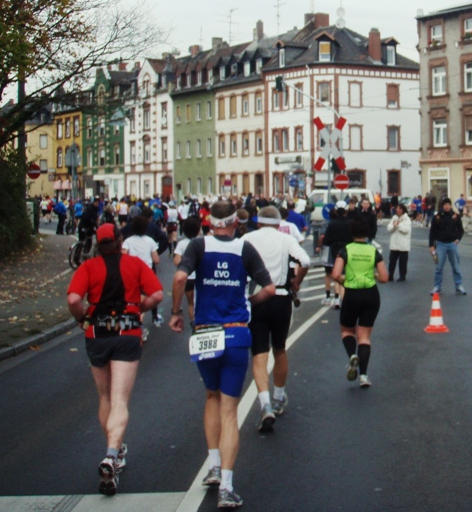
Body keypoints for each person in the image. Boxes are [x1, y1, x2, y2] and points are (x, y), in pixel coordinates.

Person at [169, 201, 275, 509]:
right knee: (231, 410)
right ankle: (227, 486)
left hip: (205, 333)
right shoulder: (244, 248)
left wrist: (176, 312)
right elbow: (268, 289)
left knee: (211, 397)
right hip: (236, 330)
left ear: (210, 222)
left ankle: (213, 466)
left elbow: (179, 278)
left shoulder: (198, 246)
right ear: (234, 222)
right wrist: (248, 302)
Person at [66, 223, 163, 497]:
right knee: (121, 399)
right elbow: (157, 294)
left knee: (105, 397)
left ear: (98, 245)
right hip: (127, 332)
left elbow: (74, 298)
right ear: (120, 241)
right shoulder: (133, 264)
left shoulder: (88, 268)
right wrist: (138, 308)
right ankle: (112, 455)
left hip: (96, 333)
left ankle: (116, 449)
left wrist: (81, 317)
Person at [242, 206, 310, 431]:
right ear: (279, 223)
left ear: (258, 222)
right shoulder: (285, 239)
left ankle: (265, 404)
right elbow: (306, 261)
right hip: (281, 297)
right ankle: (279, 396)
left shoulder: (247, 238)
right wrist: (297, 281)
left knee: (259, 354)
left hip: (257, 297)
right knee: (279, 348)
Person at [331, 217, 388, 388]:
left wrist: (344, 282)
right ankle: (363, 375)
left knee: (347, 330)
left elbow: (335, 275)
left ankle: (351, 356)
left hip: (352, 294)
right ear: (367, 233)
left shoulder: (345, 250)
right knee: (364, 336)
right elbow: (384, 278)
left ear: (352, 232)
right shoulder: (373, 251)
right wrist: (374, 276)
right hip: (371, 295)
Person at [122, 215, 161, 329]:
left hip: (130, 274)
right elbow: (156, 260)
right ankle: (139, 325)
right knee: (142, 301)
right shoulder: (150, 241)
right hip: (145, 275)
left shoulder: (127, 241)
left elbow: (122, 256)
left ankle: (134, 323)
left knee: (131, 300)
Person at [316, 201, 352, 308]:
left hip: (335, 251)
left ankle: (337, 298)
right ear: (346, 211)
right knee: (346, 274)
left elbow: (326, 241)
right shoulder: (351, 223)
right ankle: (345, 299)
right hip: (348, 250)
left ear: (336, 211)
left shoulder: (332, 224)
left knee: (337, 274)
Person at [429, 197, 466, 296]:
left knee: (456, 266)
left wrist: (457, 239)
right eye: (445, 205)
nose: (447, 207)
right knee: (439, 267)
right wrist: (431, 245)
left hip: (452, 245)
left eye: (448, 205)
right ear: (443, 206)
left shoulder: (455, 216)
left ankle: (459, 286)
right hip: (440, 244)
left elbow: (461, 230)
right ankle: (437, 287)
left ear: (450, 206)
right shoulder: (437, 217)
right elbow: (432, 232)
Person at [386, 203, 412, 282]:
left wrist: (398, 225)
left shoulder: (407, 219)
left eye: (400, 209)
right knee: (392, 260)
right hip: (394, 244)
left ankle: (402, 275)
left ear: (403, 210)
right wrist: (394, 226)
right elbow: (389, 228)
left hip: (403, 244)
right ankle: (390, 275)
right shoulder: (394, 218)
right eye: (397, 208)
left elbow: (406, 230)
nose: (398, 210)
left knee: (403, 262)